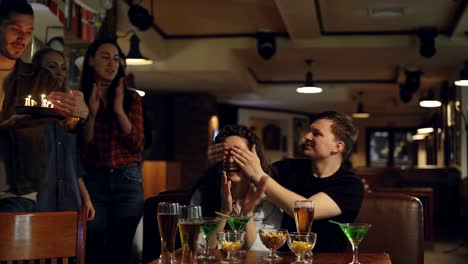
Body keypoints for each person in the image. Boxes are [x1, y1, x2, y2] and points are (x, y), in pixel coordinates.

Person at [209, 111, 364, 252]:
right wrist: (219, 159)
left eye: (316, 133)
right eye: (309, 131)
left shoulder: (350, 185)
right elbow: (246, 174)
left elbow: (305, 211)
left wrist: (259, 175)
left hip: (327, 261)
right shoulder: (289, 168)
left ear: (337, 146)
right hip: (281, 258)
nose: (307, 137)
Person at [0, 0, 86, 212]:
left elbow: (66, 123)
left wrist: (80, 113)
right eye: (15, 30)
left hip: (18, 190)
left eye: (28, 32)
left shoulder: (38, 78)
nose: (22, 38)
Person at [80, 39, 145, 264]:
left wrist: (118, 110)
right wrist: (92, 113)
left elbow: (138, 144)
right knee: (94, 247)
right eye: (105, 57)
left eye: (116, 58)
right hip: (94, 180)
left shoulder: (132, 98)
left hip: (127, 179)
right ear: (90, 60)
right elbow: (81, 147)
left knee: (121, 249)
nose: (112, 63)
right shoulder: (79, 96)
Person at [192, 124, 281, 250]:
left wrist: (247, 213)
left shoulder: (268, 199)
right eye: (225, 153)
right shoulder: (202, 193)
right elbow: (201, 250)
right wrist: (224, 211)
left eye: (238, 153)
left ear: (254, 157)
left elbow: (263, 253)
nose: (230, 161)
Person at [30, 47, 94, 219]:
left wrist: (86, 197)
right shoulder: (26, 106)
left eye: (63, 68)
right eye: (52, 66)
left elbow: (73, 158)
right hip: (38, 197)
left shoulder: (70, 110)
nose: (59, 72)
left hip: (69, 196)